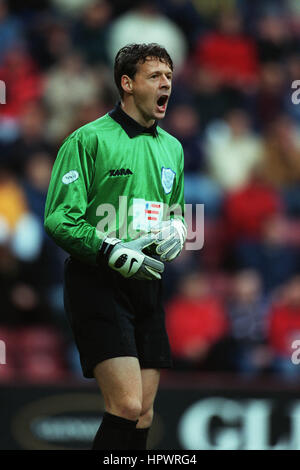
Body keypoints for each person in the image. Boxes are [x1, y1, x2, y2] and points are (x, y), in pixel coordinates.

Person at [44, 43, 186, 450]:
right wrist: (108, 248)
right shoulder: (87, 140)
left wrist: (177, 226)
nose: (167, 84)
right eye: (156, 76)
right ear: (127, 84)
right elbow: (58, 217)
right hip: (98, 280)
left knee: (144, 412)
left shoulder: (172, 148)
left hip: (147, 281)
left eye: (170, 77)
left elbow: (173, 206)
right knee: (125, 404)